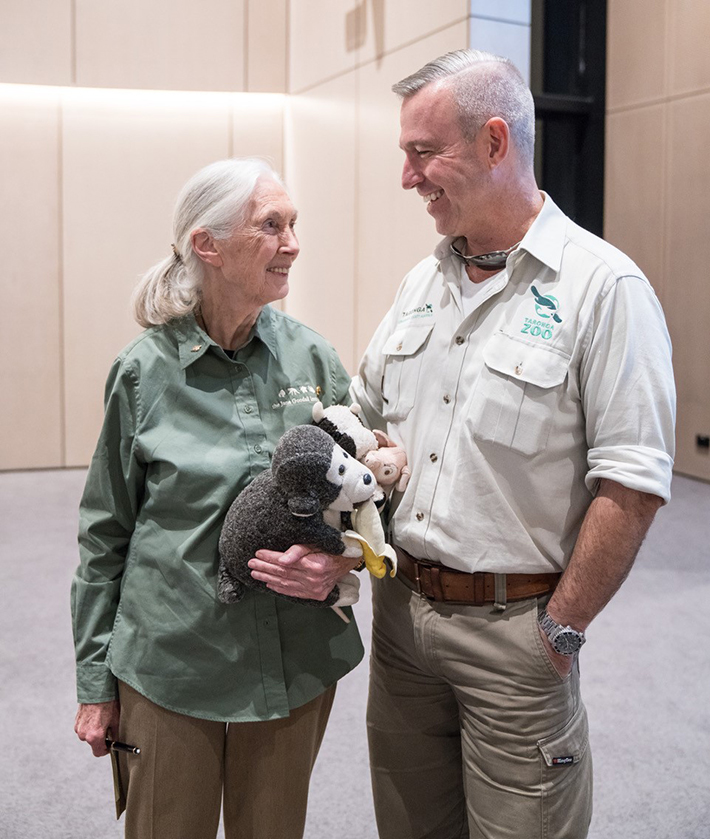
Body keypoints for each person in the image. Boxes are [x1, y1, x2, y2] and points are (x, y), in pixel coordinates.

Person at [349, 50, 676, 839]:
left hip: (517, 638)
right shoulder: (420, 284)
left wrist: (558, 632)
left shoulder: (604, 290)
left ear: (496, 142)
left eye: (423, 152)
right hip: (401, 627)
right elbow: (362, 419)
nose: (407, 176)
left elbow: (630, 485)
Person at [71, 158, 364, 839]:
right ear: (208, 245)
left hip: (295, 660)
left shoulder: (313, 359)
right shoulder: (142, 373)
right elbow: (104, 535)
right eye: (271, 225)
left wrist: (345, 564)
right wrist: (93, 680)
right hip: (173, 662)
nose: (292, 242)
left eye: (294, 224)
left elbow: (363, 499)